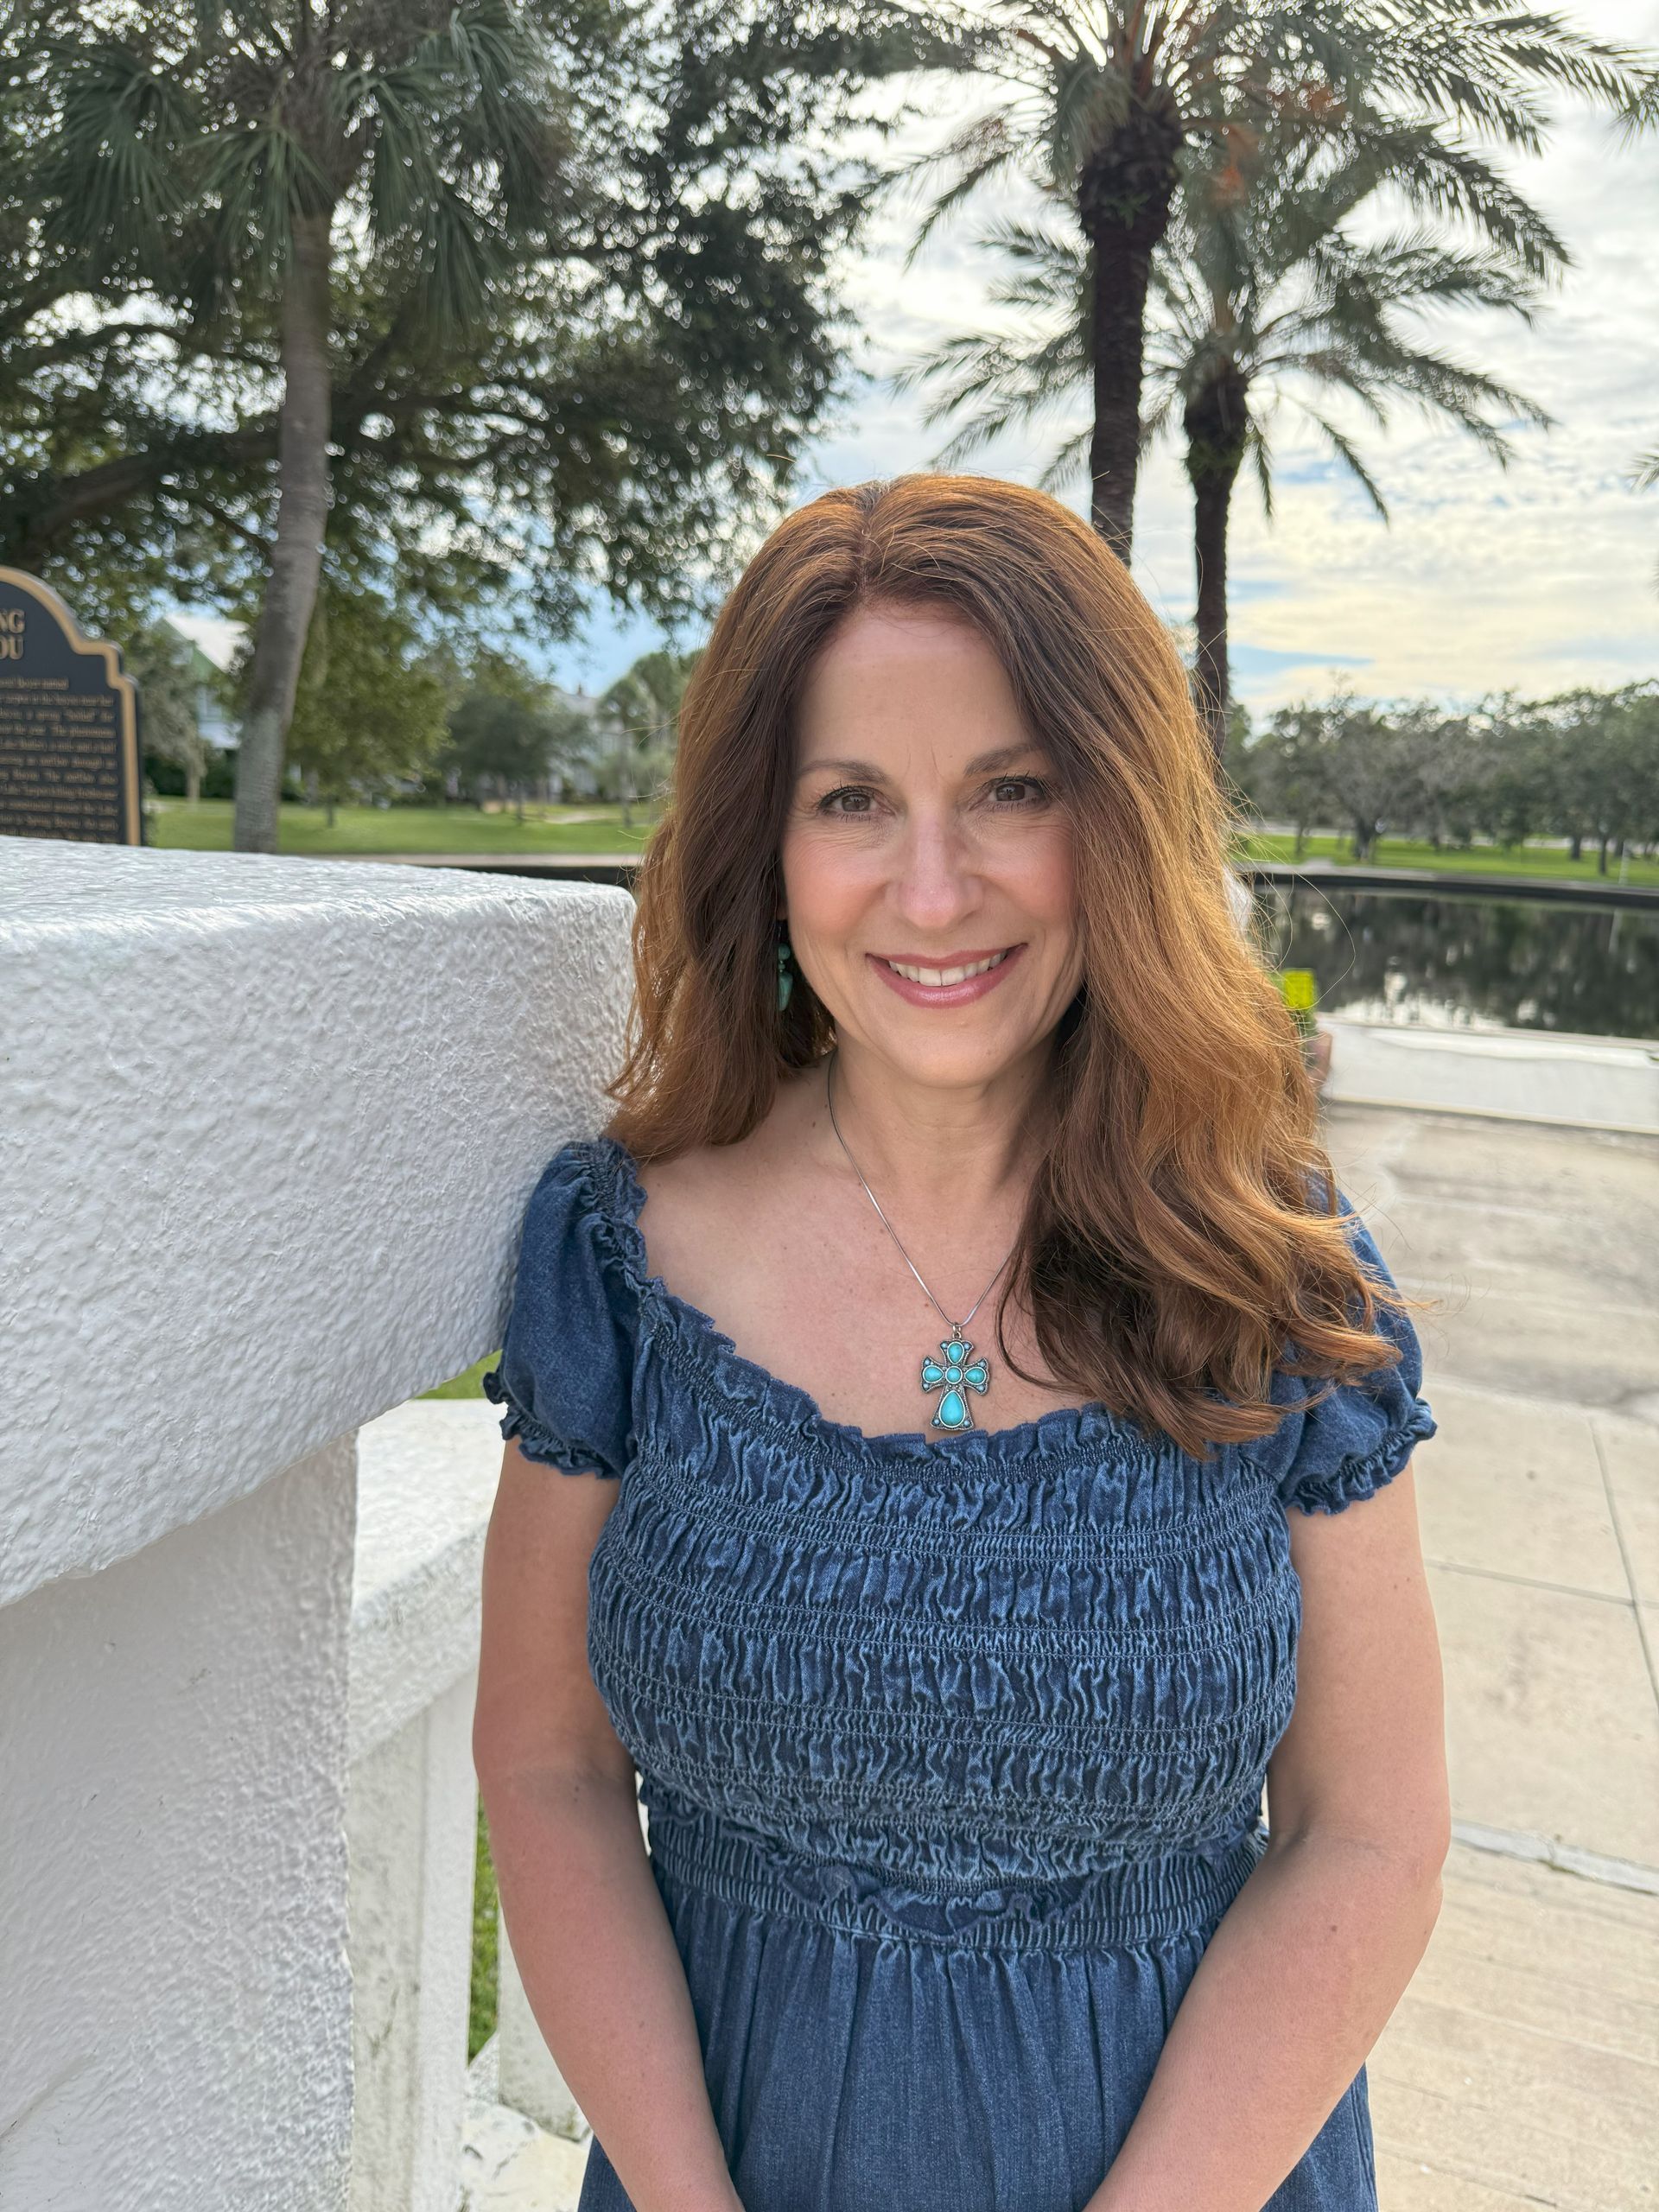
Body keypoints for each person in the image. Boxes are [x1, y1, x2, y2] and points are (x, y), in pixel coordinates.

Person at [472, 473, 1448, 2212]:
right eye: (855, 799)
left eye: (1013, 790)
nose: (934, 890)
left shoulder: (1274, 1273)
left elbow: (1367, 1832)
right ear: (766, 842)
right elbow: (547, 1768)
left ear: (1122, 815)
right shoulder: (620, 1258)